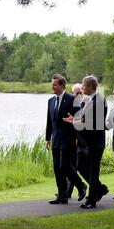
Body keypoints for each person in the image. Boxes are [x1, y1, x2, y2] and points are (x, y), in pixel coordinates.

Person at [63, 75, 109, 208]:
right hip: (84, 142)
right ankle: (99, 189)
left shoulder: (100, 100)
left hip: (95, 142)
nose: (82, 88)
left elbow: (97, 123)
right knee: (80, 166)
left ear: (90, 86)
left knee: (93, 171)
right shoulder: (86, 100)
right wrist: (74, 120)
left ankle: (91, 200)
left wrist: (78, 123)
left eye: (83, 86)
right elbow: (83, 119)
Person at [46, 74, 87, 204]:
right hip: (56, 139)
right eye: (52, 84)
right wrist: (48, 138)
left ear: (62, 85)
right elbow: (50, 121)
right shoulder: (51, 101)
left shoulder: (71, 100)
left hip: (68, 138)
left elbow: (80, 119)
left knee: (65, 165)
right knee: (57, 167)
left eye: (55, 85)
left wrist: (76, 136)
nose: (53, 87)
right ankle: (62, 196)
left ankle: (81, 186)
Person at [65, 83, 84, 198]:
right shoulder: (70, 105)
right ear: (72, 93)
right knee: (69, 166)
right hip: (70, 140)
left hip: (81, 141)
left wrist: (78, 138)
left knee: (78, 167)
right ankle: (67, 191)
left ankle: (87, 188)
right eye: (76, 93)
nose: (79, 95)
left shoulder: (86, 104)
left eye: (80, 92)